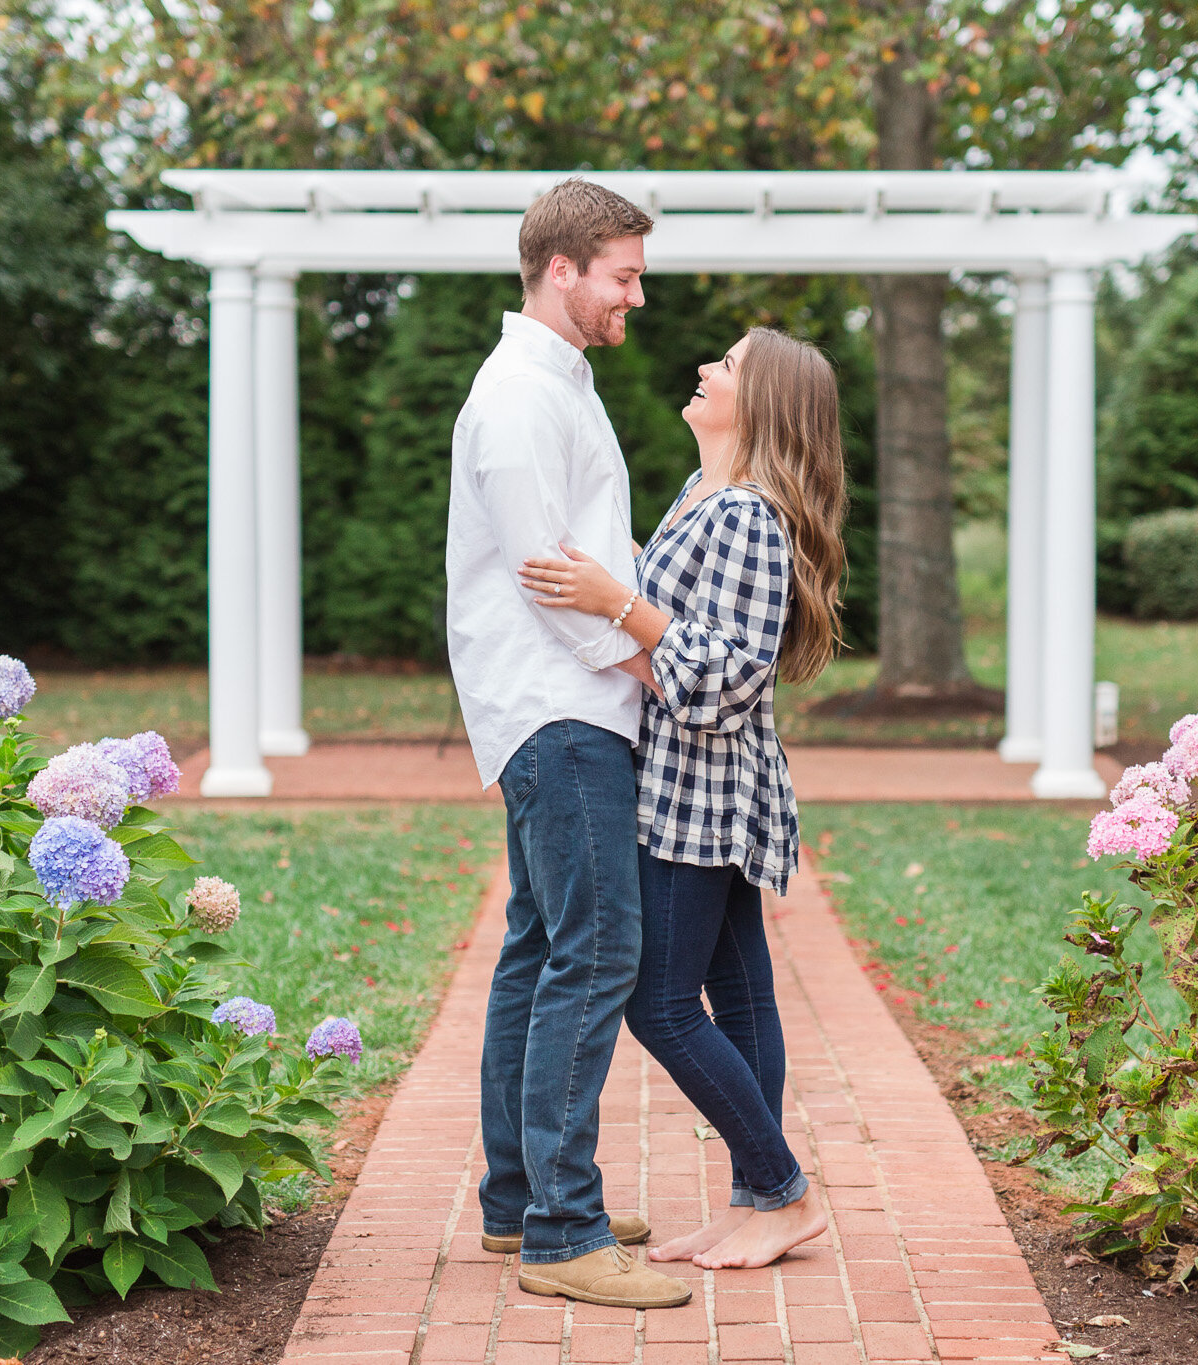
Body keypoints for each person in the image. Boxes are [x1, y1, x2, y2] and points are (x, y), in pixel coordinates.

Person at [519, 326, 849, 1269]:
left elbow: (727, 677)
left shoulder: (746, 513)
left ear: (766, 404)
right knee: (742, 995)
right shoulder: (702, 494)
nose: (704, 365)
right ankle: (759, 1202)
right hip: (696, 782)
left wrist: (613, 601)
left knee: (660, 1003)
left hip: (698, 788)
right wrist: (611, 559)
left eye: (731, 365)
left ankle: (782, 1188)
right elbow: (688, 611)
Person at [445, 177, 692, 1309]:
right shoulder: (516, 399)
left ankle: (518, 1204)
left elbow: (582, 552)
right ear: (563, 269)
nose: (633, 297)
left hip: (564, 705)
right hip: (559, 708)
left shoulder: (556, 384)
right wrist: (654, 663)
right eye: (623, 276)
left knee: (542, 951)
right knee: (593, 956)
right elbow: (549, 573)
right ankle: (561, 1233)